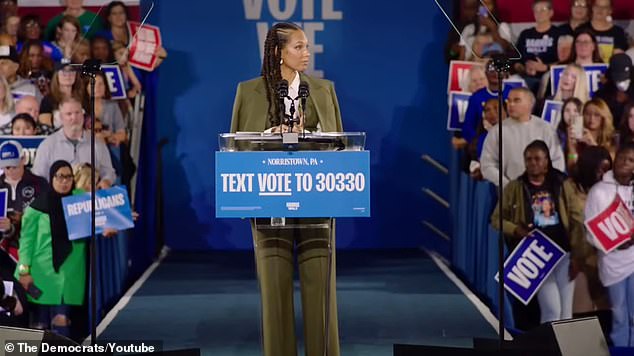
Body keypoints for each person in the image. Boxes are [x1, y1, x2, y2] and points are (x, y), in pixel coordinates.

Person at [230, 22, 341, 356]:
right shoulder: (248, 91)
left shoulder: (323, 90)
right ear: (278, 52)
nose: (307, 53)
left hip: (317, 201)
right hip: (268, 202)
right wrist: (271, 135)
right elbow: (237, 149)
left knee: (322, 292)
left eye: (307, 47)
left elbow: (339, 146)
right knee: (274, 293)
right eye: (299, 47)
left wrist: (311, 135)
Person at [492, 140, 585, 323]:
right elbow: (496, 219)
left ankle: (564, 351)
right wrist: (515, 229)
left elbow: (576, 219)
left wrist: (578, 255)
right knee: (552, 309)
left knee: (566, 312)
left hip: (565, 253)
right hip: (537, 257)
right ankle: (548, 348)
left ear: (547, 162)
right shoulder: (515, 187)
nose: (533, 163)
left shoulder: (561, 182)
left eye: (537, 159)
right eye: (528, 159)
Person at [15, 160, 85, 336]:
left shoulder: (81, 202)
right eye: (60, 177)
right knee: (40, 326)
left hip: (69, 275)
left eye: (68, 177)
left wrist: (123, 217)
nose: (64, 181)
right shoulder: (37, 208)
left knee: (62, 324)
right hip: (41, 275)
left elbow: (103, 214)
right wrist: (24, 271)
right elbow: (26, 244)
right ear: (51, 178)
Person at [584, 142, 634, 346]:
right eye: (622, 157)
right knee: (619, 314)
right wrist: (613, 244)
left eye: (631, 160)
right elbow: (590, 232)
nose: (624, 162)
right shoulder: (599, 191)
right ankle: (621, 350)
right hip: (612, 263)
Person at [480, 87, 565, 187]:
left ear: (530, 104)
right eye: (509, 101)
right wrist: (508, 185)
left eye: (516, 100)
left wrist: (545, 184)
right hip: (508, 193)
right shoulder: (497, 131)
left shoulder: (545, 129)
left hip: (543, 192)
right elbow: (487, 165)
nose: (511, 105)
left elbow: (557, 161)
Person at [32, 96, 116, 188]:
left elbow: (108, 172)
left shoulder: (97, 144)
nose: (74, 118)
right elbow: (38, 177)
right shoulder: (47, 145)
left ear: (83, 114)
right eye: (69, 114)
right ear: (61, 117)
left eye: (77, 113)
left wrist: (106, 181)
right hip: (58, 200)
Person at [0, 140, 48, 271]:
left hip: (35, 249)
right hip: (4, 253)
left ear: (23, 159)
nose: (9, 171)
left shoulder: (40, 185)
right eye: (5, 167)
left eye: (13, 166)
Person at [593, 53, 634, 127]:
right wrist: (616, 103)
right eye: (618, 79)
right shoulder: (602, 94)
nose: (622, 82)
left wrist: (629, 100)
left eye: (625, 78)